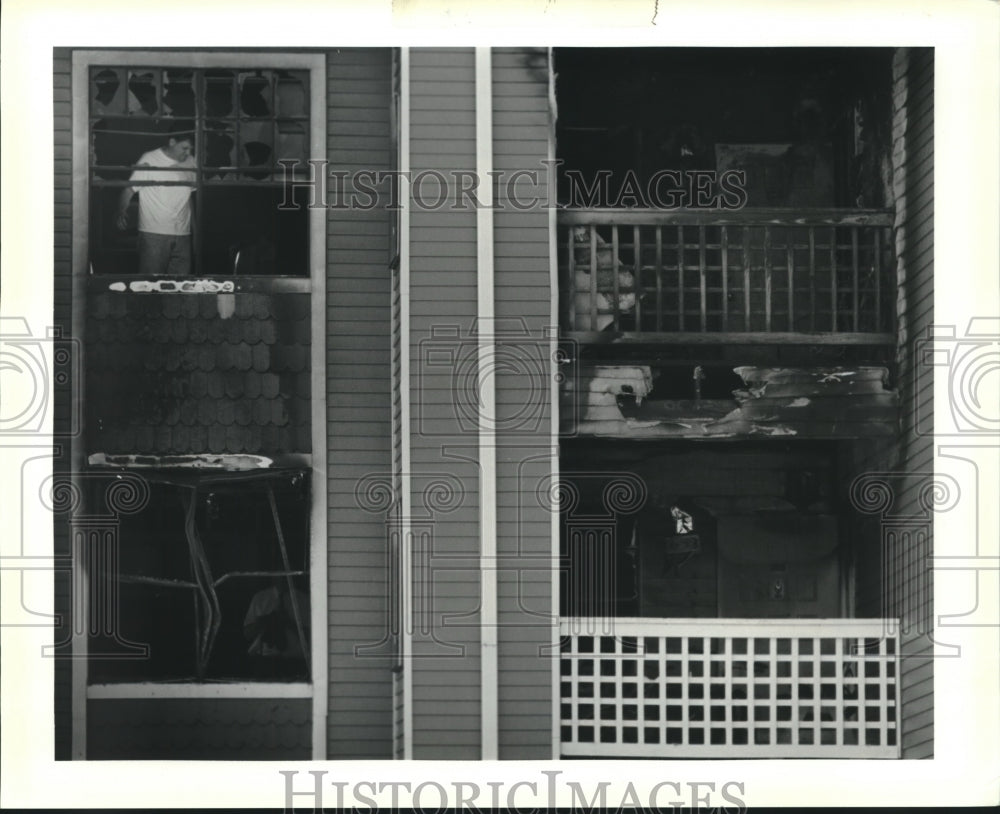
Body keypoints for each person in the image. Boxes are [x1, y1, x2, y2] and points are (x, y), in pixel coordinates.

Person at [116, 128, 197, 276]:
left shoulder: (191, 161)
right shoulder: (150, 159)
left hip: (183, 235)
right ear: (172, 142)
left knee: (181, 287)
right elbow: (129, 189)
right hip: (153, 233)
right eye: (184, 148)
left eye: (190, 149)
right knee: (150, 286)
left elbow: (189, 197)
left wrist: (194, 232)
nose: (187, 153)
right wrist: (121, 211)